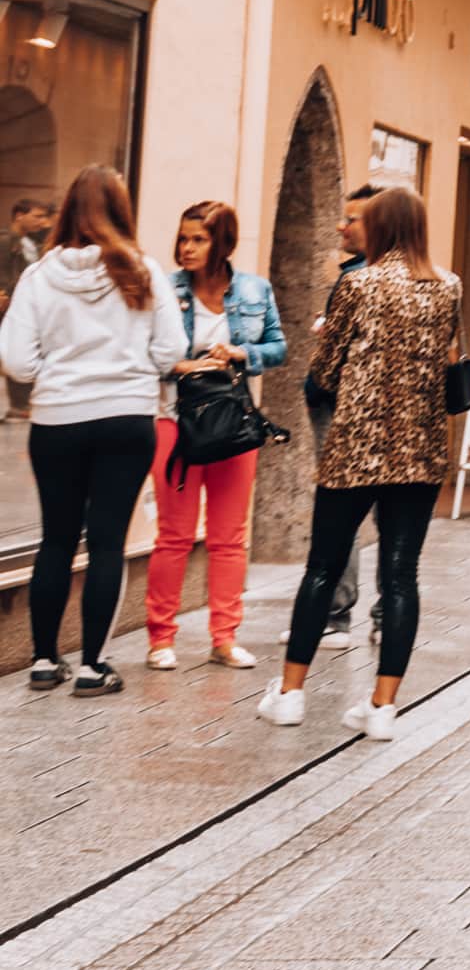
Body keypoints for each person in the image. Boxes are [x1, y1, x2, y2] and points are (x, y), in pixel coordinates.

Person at [259, 188, 460, 741]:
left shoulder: (358, 283)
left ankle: (292, 694)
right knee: (400, 576)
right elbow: (448, 359)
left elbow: (324, 371)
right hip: (420, 451)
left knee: (322, 567)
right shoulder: (448, 286)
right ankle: (382, 707)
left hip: (355, 448)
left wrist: (337, 354)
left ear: (385, 227)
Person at [1, 168, 183, 695]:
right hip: (126, 419)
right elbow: (171, 352)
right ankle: (92, 667)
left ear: (67, 212)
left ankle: (42, 660)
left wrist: (53, 372)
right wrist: (131, 364)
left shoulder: (38, 275)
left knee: (56, 538)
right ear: (121, 210)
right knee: (107, 543)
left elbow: (15, 360)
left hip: (56, 420)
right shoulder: (142, 270)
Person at [146, 201, 286, 672]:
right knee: (174, 536)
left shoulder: (253, 289)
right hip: (174, 422)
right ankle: (160, 638)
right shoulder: (165, 290)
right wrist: (178, 365)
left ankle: (224, 637)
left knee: (229, 538)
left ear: (222, 242)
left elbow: (278, 346)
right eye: (183, 238)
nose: (186, 248)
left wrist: (240, 353)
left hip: (232, 425)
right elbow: (143, 350)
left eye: (198, 239)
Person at [306, 186, 378, 651]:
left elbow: (334, 360)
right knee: (386, 517)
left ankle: (334, 615)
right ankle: (376, 615)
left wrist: (317, 383)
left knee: (340, 511)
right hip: (385, 413)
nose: (340, 226)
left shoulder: (360, 279)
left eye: (351, 219)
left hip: (346, 408)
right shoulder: (432, 279)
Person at [0, 196, 56, 418]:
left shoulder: (31, 243)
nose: (42, 222)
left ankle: (20, 405)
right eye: (37, 216)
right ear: (19, 215)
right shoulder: (6, 241)